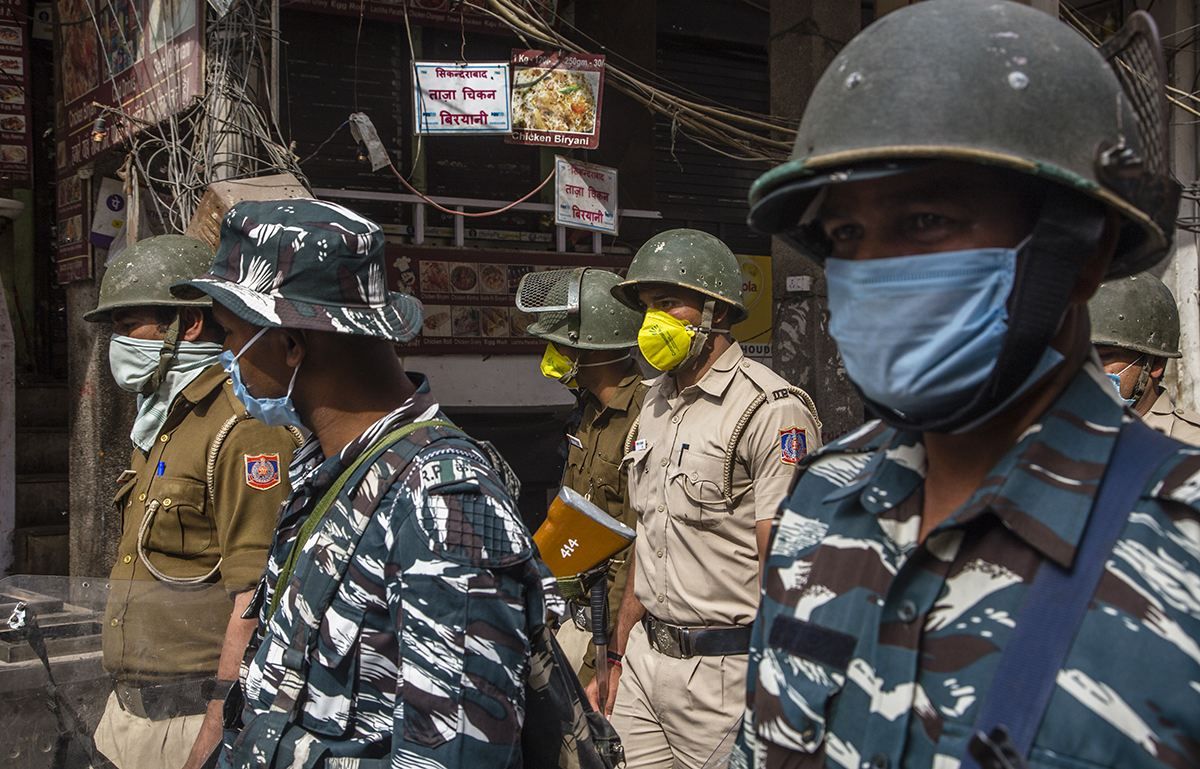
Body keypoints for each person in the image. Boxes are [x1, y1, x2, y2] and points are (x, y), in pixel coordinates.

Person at [733, 2, 1198, 768]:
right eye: (847, 234)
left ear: (1079, 251)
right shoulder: (820, 505)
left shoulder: (1182, 551)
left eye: (925, 221)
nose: (872, 269)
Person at [172, 199, 551, 768]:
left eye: (231, 334)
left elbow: (455, 756)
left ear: (292, 343)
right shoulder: (325, 468)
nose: (226, 356)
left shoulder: (444, 503)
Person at [601, 228, 822, 769]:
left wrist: (784, 689)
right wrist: (617, 650)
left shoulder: (770, 410)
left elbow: (790, 565)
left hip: (727, 679)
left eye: (668, 303)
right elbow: (649, 536)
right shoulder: (653, 405)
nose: (652, 321)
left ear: (716, 312)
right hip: (645, 666)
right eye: (648, 307)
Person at [83, 234, 302, 769]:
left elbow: (255, 594)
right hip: (125, 718)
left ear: (190, 323)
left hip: (190, 725)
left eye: (127, 324)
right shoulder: (161, 420)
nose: (117, 341)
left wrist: (215, 730)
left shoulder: (242, 428)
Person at [521, 267, 648, 702]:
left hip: (611, 628)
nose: (550, 353)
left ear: (588, 346)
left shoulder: (645, 417)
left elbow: (635, 547)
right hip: (572, 610)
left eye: (559, 343)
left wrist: (605, 659)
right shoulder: (586, 413)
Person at [1090, 272, 1200, 444]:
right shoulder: (1055, 433)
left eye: (1103, 357)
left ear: (1156, 363)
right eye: (1079, 356)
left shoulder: (1189, 447)